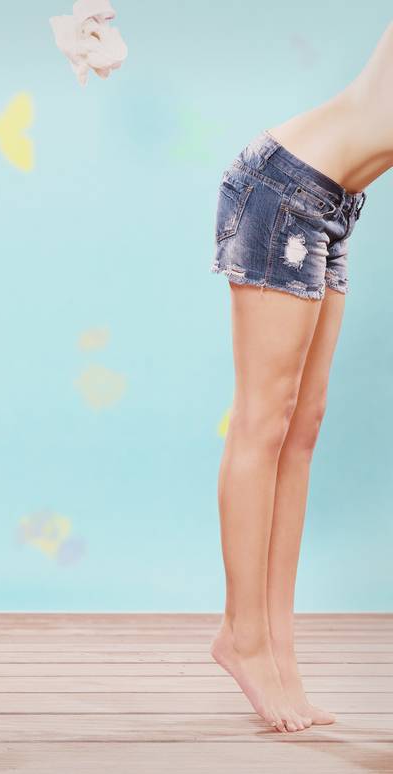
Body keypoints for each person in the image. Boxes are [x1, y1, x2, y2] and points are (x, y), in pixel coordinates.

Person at [209, 21, 393, 733]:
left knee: (301, 430)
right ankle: (242, 638)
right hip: (281, 191)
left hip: (332, 205)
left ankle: (277, 648)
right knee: (263, 420)